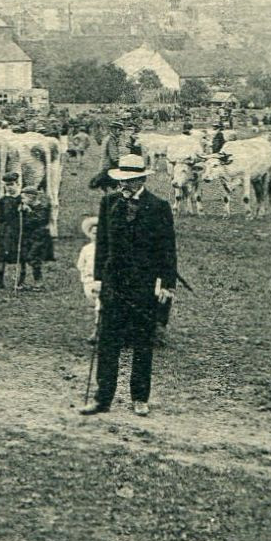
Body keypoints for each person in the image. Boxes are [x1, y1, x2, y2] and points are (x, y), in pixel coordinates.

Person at [80, 153, 177, 418]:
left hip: (143, 286)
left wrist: (167, 283)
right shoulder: (108, 203)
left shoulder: (159, 207)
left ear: (142, 179)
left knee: (142, 343)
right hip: (113, 285)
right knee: (108, 343)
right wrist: (98, 280)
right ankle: (103, 398)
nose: (125, 185)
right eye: (122, 180)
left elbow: (168, 248)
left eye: (131, 180)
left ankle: (139, 398)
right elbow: (102, 246)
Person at [16, 184, 55, 290]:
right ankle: (21, 281)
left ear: (31, 197)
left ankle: (38, 281)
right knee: (23, 257)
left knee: (34, 258)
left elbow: (40, 220)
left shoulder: (43, 207)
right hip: (27, 237)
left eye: (24, 198)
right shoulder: (25, 208)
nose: (22, 200)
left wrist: (29, 212)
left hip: (39, 238)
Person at [0, 171, 23, 289]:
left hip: (19, 231)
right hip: (6, 232)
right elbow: (1, 218)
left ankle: (20, 281)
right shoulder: (3, 200)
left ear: (17, 184)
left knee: (20, 256)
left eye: (11, 184)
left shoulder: (22, 199)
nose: (9, 187)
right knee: (2, 255)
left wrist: (23, 208)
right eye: (6, 185)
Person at [74, 215, 102, 340]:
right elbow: (81, 265)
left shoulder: (106, 248)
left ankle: (97, 331)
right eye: (94, 233)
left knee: (100, 305)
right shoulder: (86, 249)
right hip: (89, 281)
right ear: (90, 234)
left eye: (99, 233)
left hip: (101, 281)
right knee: (97, 304)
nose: (96, 235)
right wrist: (86, 277)